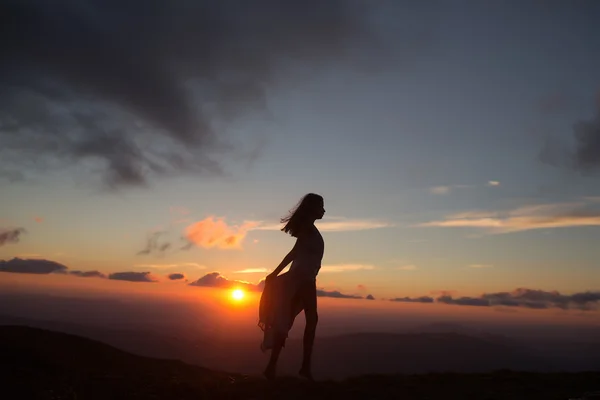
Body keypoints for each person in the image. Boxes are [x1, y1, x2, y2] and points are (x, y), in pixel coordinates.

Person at [262, 193, 325, 381]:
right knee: (311, 321)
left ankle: (272, 367)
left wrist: (275, 273)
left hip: (304, 279)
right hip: (303, 280)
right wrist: (274, 273)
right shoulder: (308, 229)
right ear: (313, 208)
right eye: (321, 206)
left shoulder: (309, 229)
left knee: (287, 321)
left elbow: (294, 253)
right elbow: (294, 253)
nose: (324, 210)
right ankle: (304, 368)